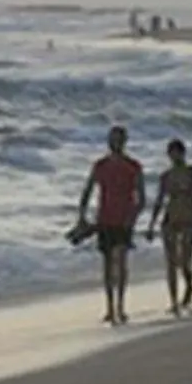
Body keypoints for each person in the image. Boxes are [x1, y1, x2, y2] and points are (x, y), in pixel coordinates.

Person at [78, 125, 145, 325]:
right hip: (104, 220)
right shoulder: (100, 165)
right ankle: (109, 307)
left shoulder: (133, 166)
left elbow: (141, 198)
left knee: (121, 263)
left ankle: (120, 307)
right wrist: (82, 215)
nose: (115, 143)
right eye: (112, 139)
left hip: (123, 221)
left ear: (124, 142)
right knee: (108, 265)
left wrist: (132, 218)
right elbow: (88, 190)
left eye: (118, 139)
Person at [147, 139, 192, 317]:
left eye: (177, 152)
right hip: (170, 219)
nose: (174, 156)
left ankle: (189, 286)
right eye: (171, 153)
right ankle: (174, 301)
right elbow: (159, 201)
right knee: (170, 263)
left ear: (183, 153)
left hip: (189, 218)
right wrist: (151, 225)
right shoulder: (165, 176)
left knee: (185, 261)